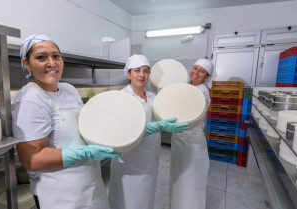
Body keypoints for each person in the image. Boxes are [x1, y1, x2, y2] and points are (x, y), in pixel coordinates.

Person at [11, 34, 121, 209]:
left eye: (56, 56)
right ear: (26, 64)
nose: (52, 63)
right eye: (41, 57)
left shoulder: (68, 89)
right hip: (59, 193)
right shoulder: (31, 98)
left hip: (90, 182)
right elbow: (31, 160)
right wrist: (84, 153)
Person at [108, 54, 190, 209]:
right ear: (128, 74)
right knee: (128, 201)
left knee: (146, 198)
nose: (142, 75)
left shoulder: (153, 97)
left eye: (146, 71)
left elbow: (162, 115)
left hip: (150, 157)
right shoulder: (122, 97)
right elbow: (122, 131)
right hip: (129, 161)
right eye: (137, 70)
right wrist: (156, 127)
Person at [167, 58, 215, 209]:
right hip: (178, 137)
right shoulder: (186, 86)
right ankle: (176, 204)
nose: (196, 73)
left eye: (201, 71)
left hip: (192, 138)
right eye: (195, 68)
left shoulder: (202, 92)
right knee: (178, 174)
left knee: (191, 176)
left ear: (207, 76)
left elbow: (185, 113)